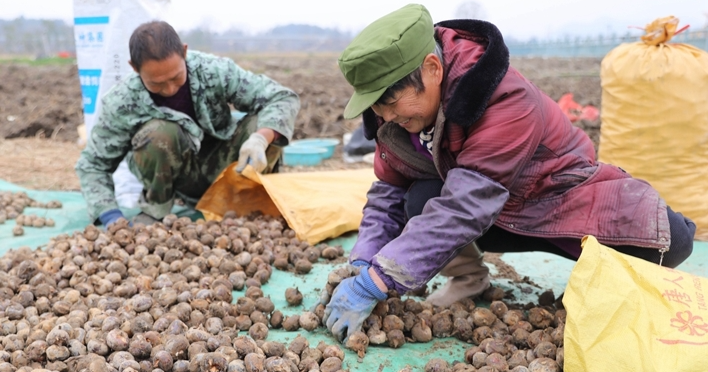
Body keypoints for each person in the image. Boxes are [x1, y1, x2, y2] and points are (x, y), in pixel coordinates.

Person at [322, 4, 696, 344]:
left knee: (671, 241)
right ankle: (468, 278)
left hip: (556, 199)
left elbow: (465, 207)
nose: (385, 116)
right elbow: (388, 190)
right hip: (494, 212)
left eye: (390, 102)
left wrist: (376, 283)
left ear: (432, 69)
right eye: (377, 106)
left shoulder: (503, 99)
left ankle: (598, 286)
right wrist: (364, 259)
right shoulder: (398, 118)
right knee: (418, 198)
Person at [76, 21, 300, 226]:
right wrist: (110, 215)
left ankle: (245, 205)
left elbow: (281, 97)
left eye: (176, 78)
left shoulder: (214, 71)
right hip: (178, 179)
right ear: (134, 68)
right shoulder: (121, 102)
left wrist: (261, 138)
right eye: (157, 83)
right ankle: (156, 212)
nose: (170, 89)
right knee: (159, 133)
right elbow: (93, 164)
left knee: (261, 125)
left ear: (184, 52)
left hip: (228, 168)